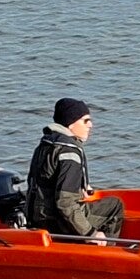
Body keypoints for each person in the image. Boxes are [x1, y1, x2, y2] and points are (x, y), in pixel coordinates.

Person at [25, 97, 125, 242]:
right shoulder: (69, 153)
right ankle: (103, 248)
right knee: (115, 206)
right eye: (86, 120)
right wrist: (91, 234)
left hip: (37, 218)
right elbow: (65, 203)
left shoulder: (45, 145)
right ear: (71, 124)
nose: (90, 125)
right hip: (57, 223)